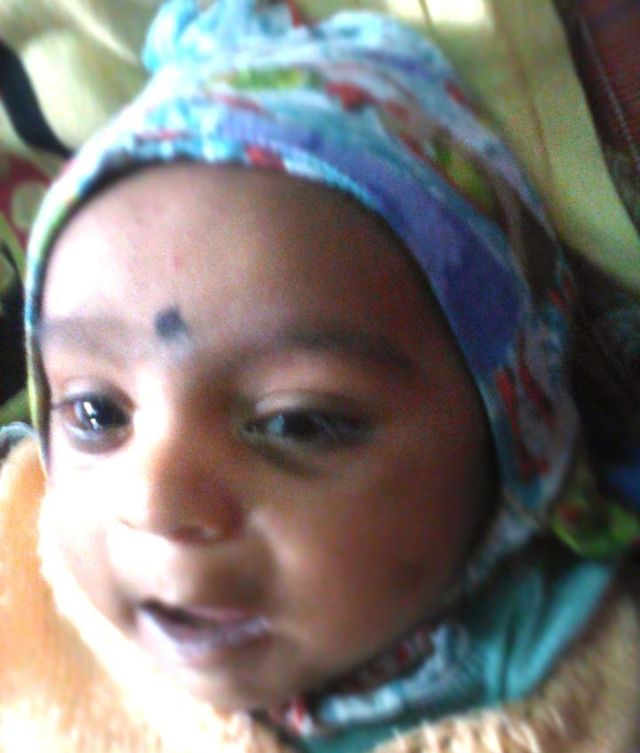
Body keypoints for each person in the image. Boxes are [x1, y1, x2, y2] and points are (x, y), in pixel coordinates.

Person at [1, 1, 638, 751]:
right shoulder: (26, 573)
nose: (156, 502)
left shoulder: (577, 662)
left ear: (515, 433)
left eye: (295, 422)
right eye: (96, 413)